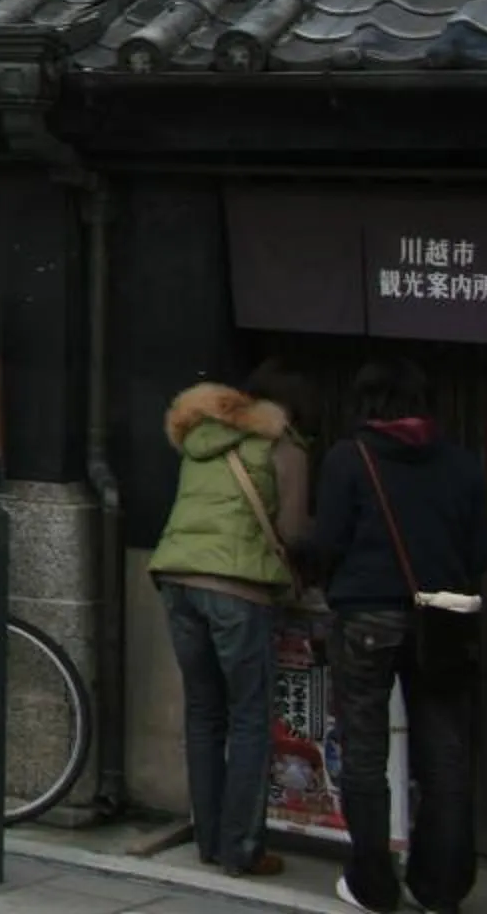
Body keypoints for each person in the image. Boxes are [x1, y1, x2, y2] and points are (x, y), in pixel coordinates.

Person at [303, 358, 487, 914]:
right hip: (443, 619)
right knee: (447, 752)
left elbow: (328, 541)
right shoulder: (461, 464)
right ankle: (440, 888)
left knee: (364, 751)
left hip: (366, 618)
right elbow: (484, 549)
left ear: (365, 403)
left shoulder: (349, 458)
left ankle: (373, 886)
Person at [146, 361, 311, 879]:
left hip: (177, 580)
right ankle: (241, 848)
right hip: (238, 590)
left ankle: (209, 840)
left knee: (203, 712)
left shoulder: (201, 441)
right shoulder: (283, 445)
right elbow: (293, 530)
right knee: (248, 718)